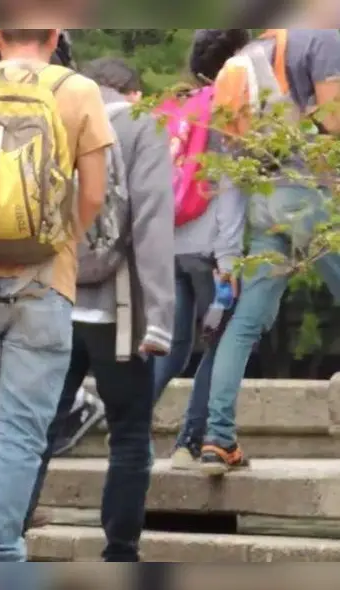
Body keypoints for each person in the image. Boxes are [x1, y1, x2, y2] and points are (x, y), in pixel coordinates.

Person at [0, 28, 113, 562]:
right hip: (46, 283)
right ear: (57, 33)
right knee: (22, 432)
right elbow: (93, 193)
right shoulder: (80, 90)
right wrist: (59, 240)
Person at [28, 56, 176, 562]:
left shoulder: (54, 117)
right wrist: (160, 316)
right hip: (119, 313)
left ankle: (7, 533)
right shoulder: (142, 126)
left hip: (51, 300)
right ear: (131, 92)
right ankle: (119, 552)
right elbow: (154, 225)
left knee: (37, 429)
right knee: (130, 434)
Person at [199, 28, 340, 475]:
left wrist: (226, 257)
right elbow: (335, 121)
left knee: (244, 324)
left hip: (263, 204)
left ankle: (217, 440)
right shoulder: (322, 41)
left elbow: (229, 178)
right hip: (308, 196)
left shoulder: (234, 70)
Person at [152, 29, 250, 469]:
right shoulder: (225, 108)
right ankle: (192, 441)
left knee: (172, 346)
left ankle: (127, 428)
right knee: (222, 340)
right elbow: (228, 189)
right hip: (210, 248)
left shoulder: (175, 104)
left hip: (169, 241)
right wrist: (229, 259)